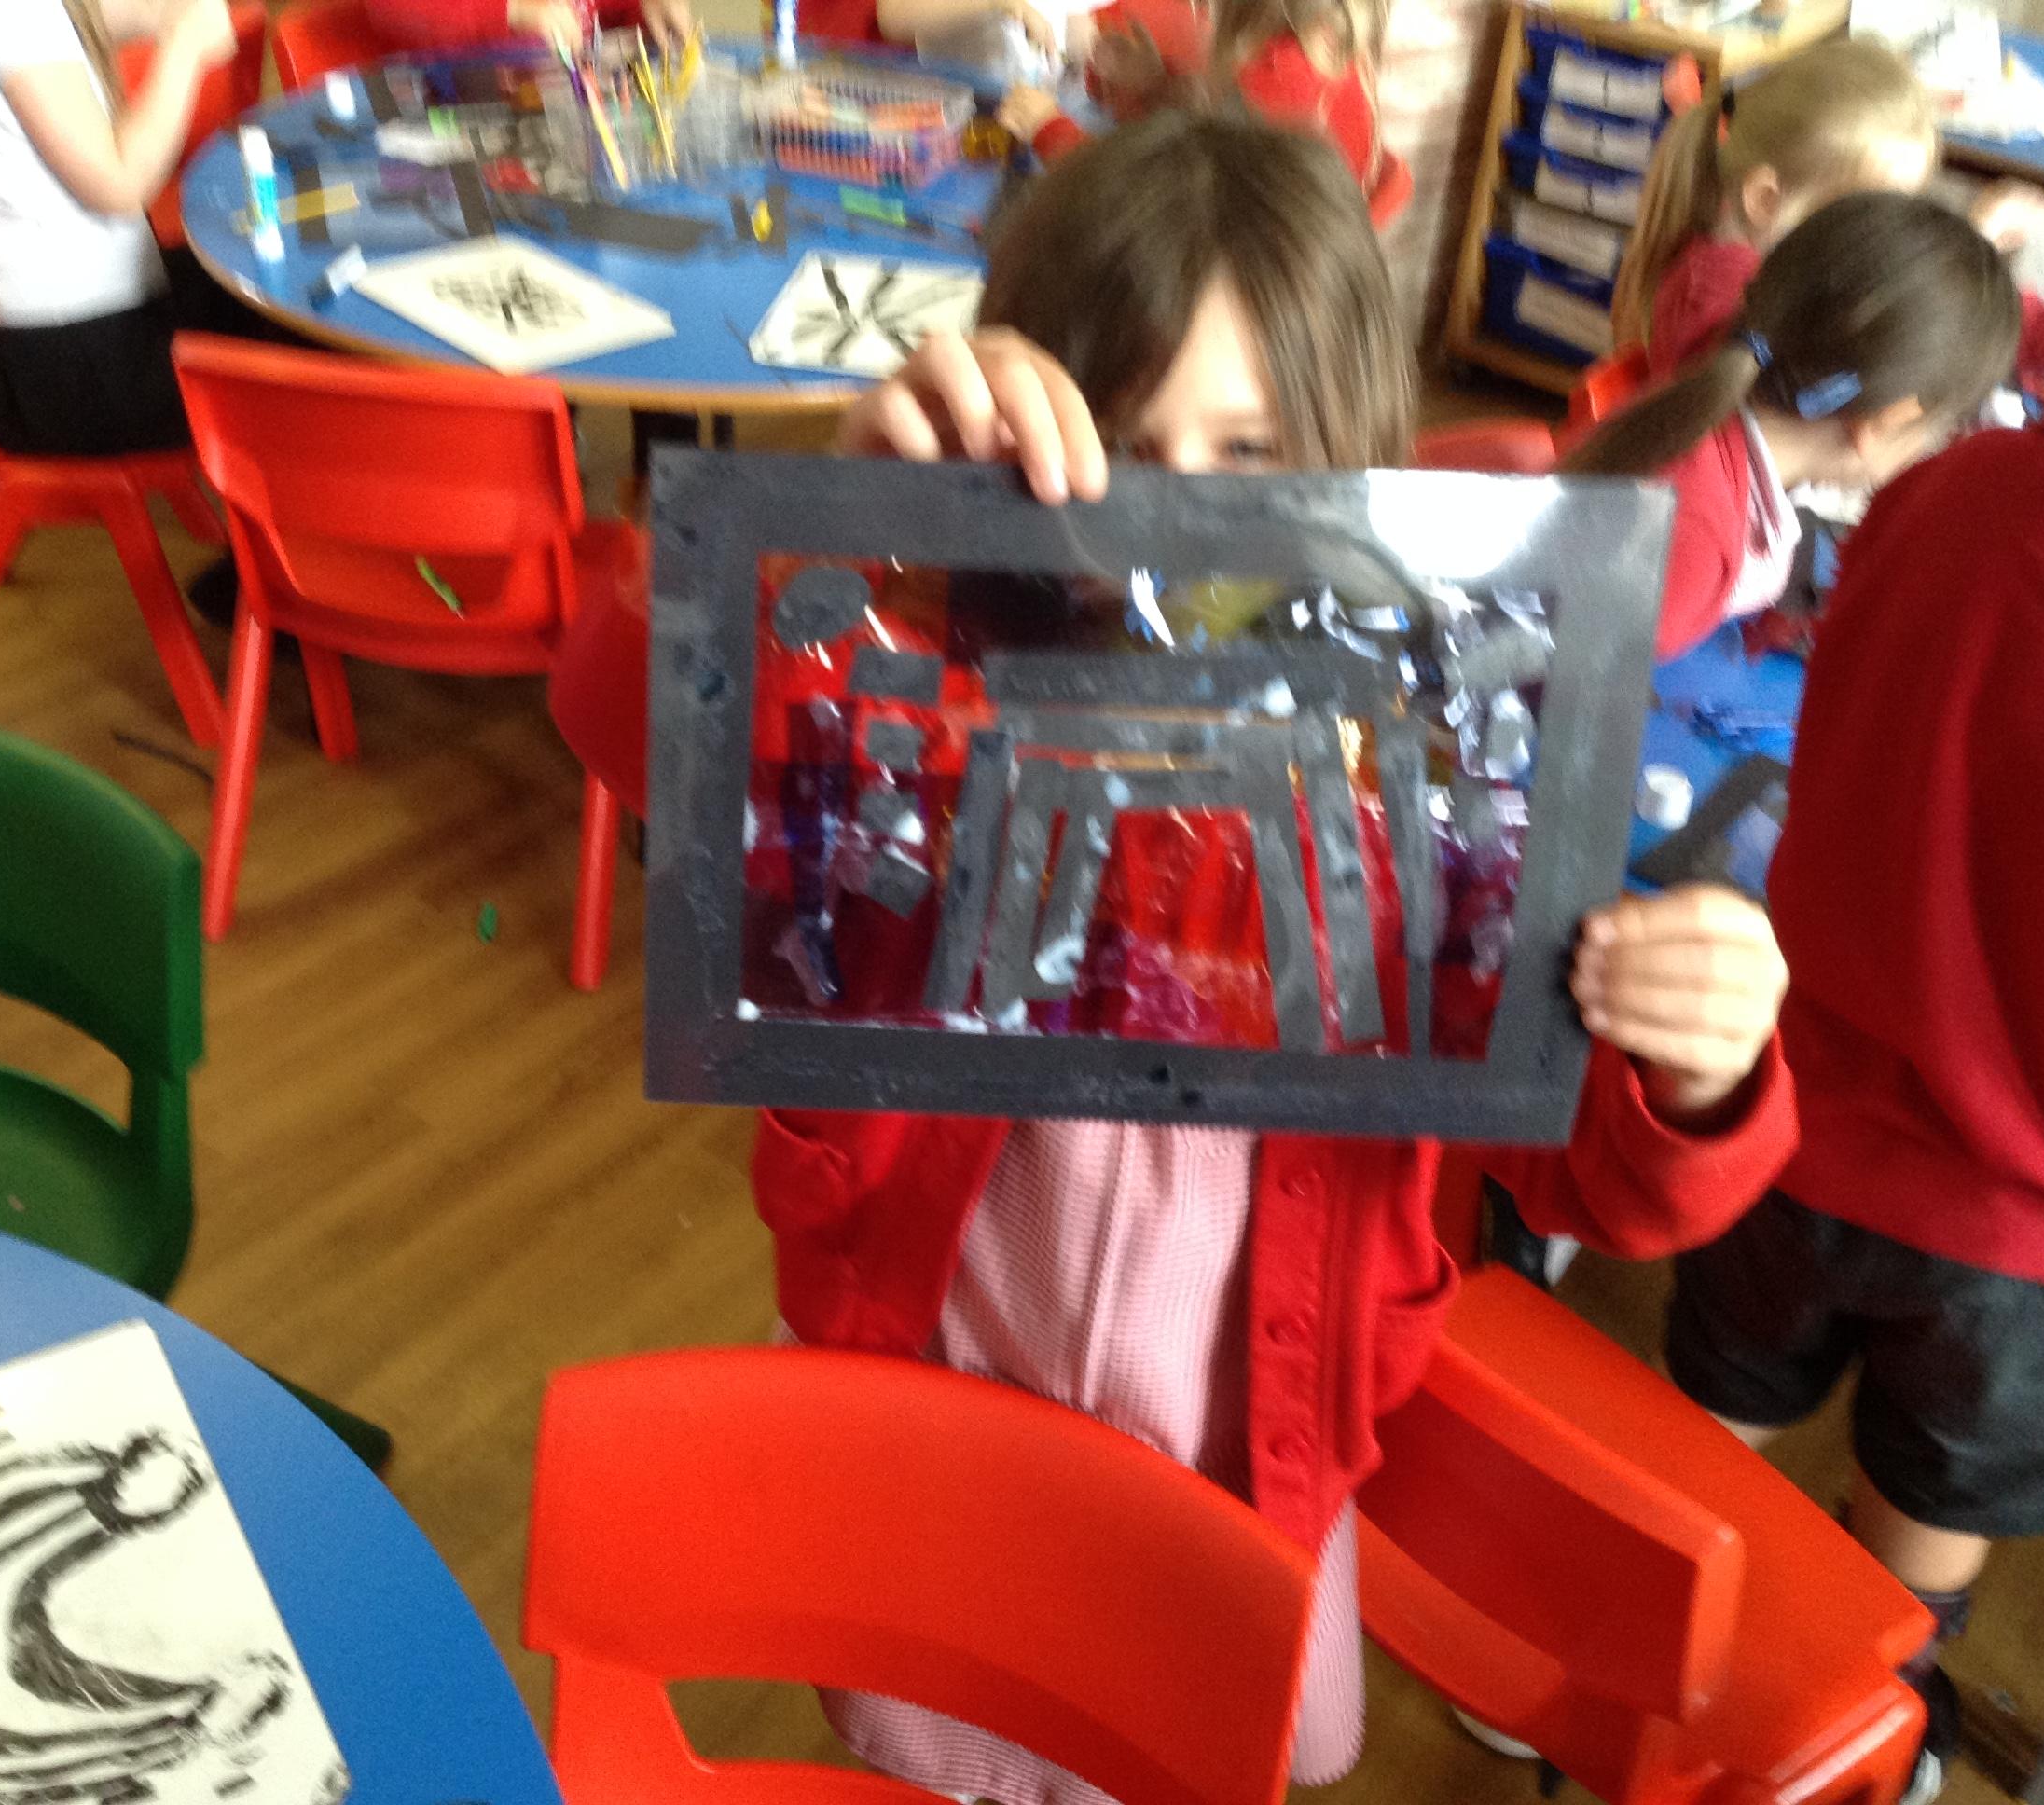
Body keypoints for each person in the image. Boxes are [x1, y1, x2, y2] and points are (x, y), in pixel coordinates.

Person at [757, 110, 1797, 1792]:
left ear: (1345, 459)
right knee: (946, 1727)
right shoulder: (937, 664)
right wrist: (839, 530)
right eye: (1120, 444)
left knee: (1201, 1736)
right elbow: (700, 791)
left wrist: (1702, 1067)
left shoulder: (1441, 772)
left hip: (1250, 1445)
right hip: (946, 1403)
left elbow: (1595, 1171)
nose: (1175, 516)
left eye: (1246, 452)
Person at [1663, 420, 2044, 1805]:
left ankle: (1619, 1657)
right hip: (2010, 1228)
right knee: (1913, 1537)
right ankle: (1868, 1725)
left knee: (1702, 1443)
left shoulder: (1944, 482)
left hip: (1786, 1109)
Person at [1560, 191, 2018, 661]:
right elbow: (1564, 683)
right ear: (1885, 421)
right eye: (1941, 431)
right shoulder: (1692, 546)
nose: (1932, 449)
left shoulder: (1714, 384)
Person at [0, 0, 242, 457]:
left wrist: (161, 15)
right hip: (77, 372)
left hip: (43, 339)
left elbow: (80, 24)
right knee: (295, 346)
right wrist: (183, 47)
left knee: (246, 275)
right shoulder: (9, 12)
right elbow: (120, 184)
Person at [1609, 35, 2044, 386]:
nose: (1887, 238)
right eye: (1868, 216)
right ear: (1766, 200)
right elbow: (1857, 364)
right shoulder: (1717, 302)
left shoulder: (1809, 260)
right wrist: (1970, 248)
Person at [996, 0, 1391, 205]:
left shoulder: (1280, 79)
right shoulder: (1315, 41)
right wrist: (1157, 83)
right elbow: (1219, 127)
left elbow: (1144, 208)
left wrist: (1051, 131)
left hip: (1239, 289)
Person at [364, 0, 692, 57]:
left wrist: (644, 10)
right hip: (448, 122)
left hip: (559, 119)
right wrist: (514, 10)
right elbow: (390, 8)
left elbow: (608, 12)